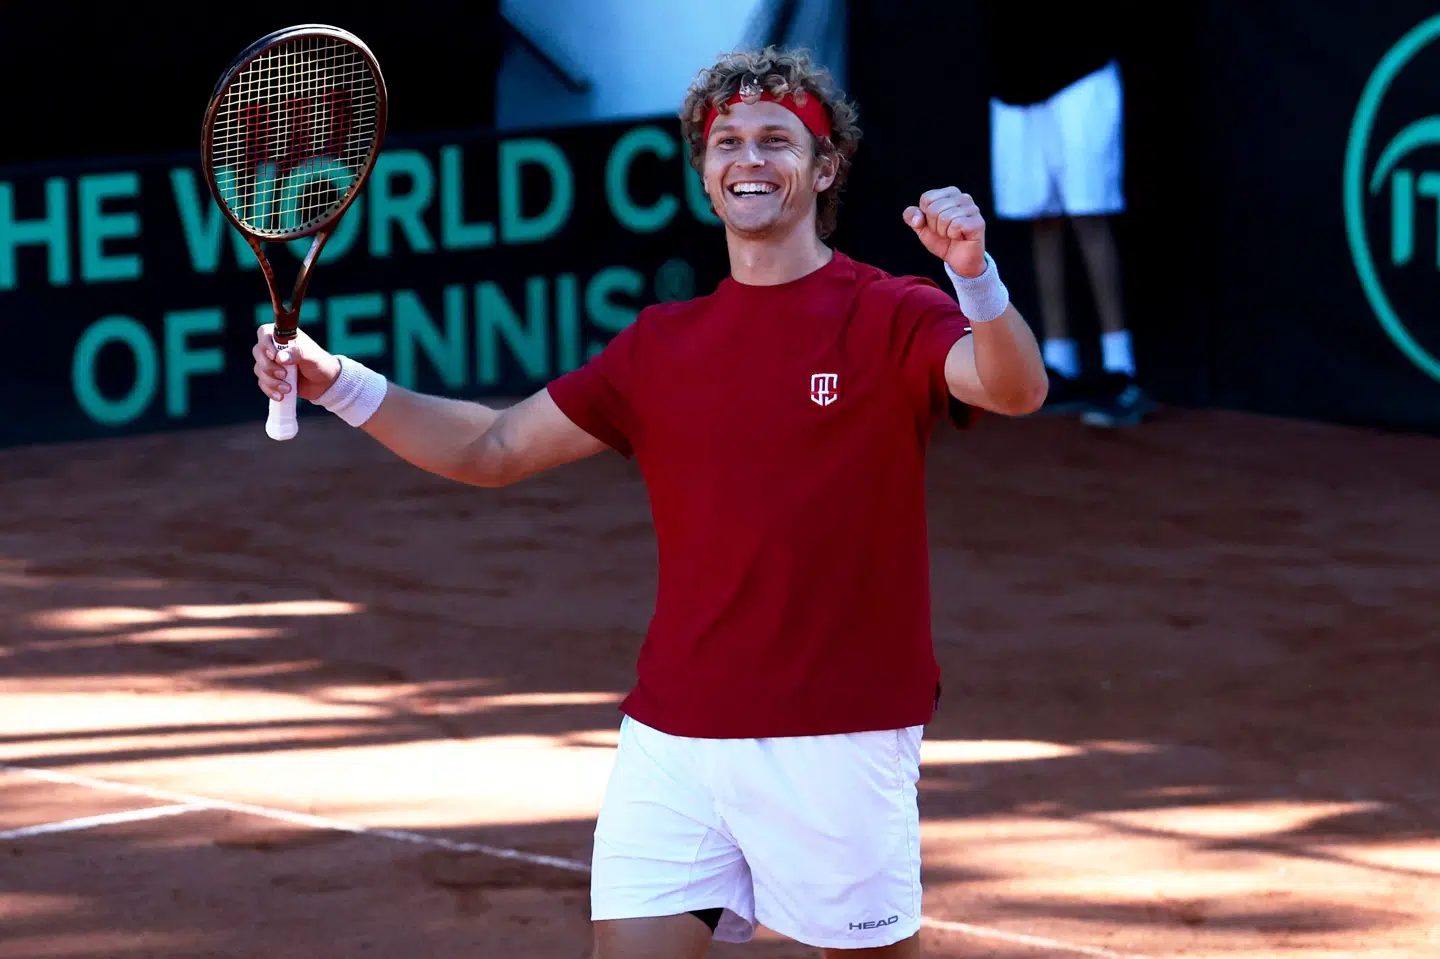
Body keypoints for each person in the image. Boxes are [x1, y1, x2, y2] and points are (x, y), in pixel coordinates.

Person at [251, 47, 1048, 959]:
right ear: (706, 172)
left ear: (824, 169)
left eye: (778, 141)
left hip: (836, 731)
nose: (749, 158)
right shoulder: (662, 345)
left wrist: (975, 278)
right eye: (728, 142)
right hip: (674, 733)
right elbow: (493, 446)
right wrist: (334, 381)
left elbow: (1012, 387)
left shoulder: (888, 313)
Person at [982, 2, 1154, 427]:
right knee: (1042, 218)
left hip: (1081, 70)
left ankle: (1121, 370)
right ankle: (1061, 363)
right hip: (1014, 77)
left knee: (1088, 216)